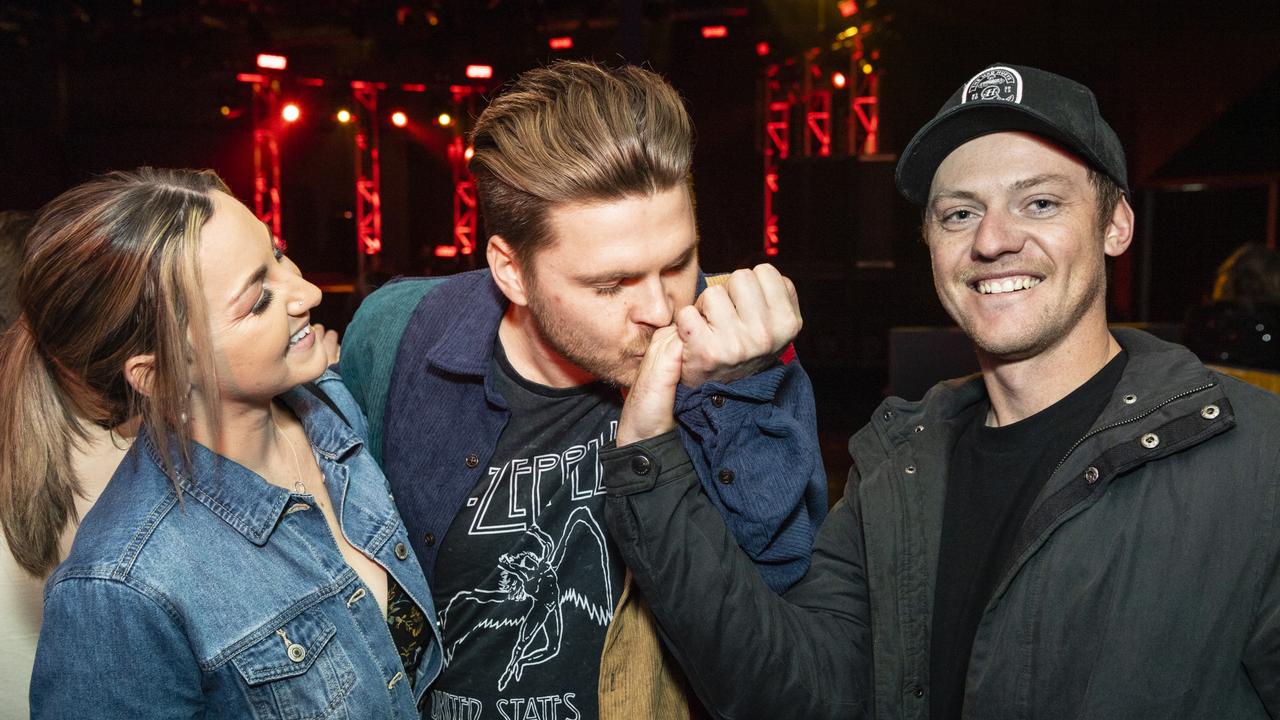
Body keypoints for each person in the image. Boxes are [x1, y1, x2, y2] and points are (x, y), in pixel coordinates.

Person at [602, 63, 1280, 719]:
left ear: (1115, 225)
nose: (992, 241)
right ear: (928, 239)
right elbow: (793, 693)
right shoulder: (900, 463)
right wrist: (649, 462)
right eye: (959, 213)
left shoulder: (1255, 459)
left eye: (1039, 203)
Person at [339, 59, 826, 718]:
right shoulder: (396, 334)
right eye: (610, 284)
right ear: (511, 270)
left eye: (680, 263)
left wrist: (725, 395)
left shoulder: (738, 347)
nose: (660, 307)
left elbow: (780, 635)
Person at [0, 168, 442, 717]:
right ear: (158, 373)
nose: (308, 292)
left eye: (278, 254)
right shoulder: (117, 589)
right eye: (258, 300)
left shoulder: (331, 408)